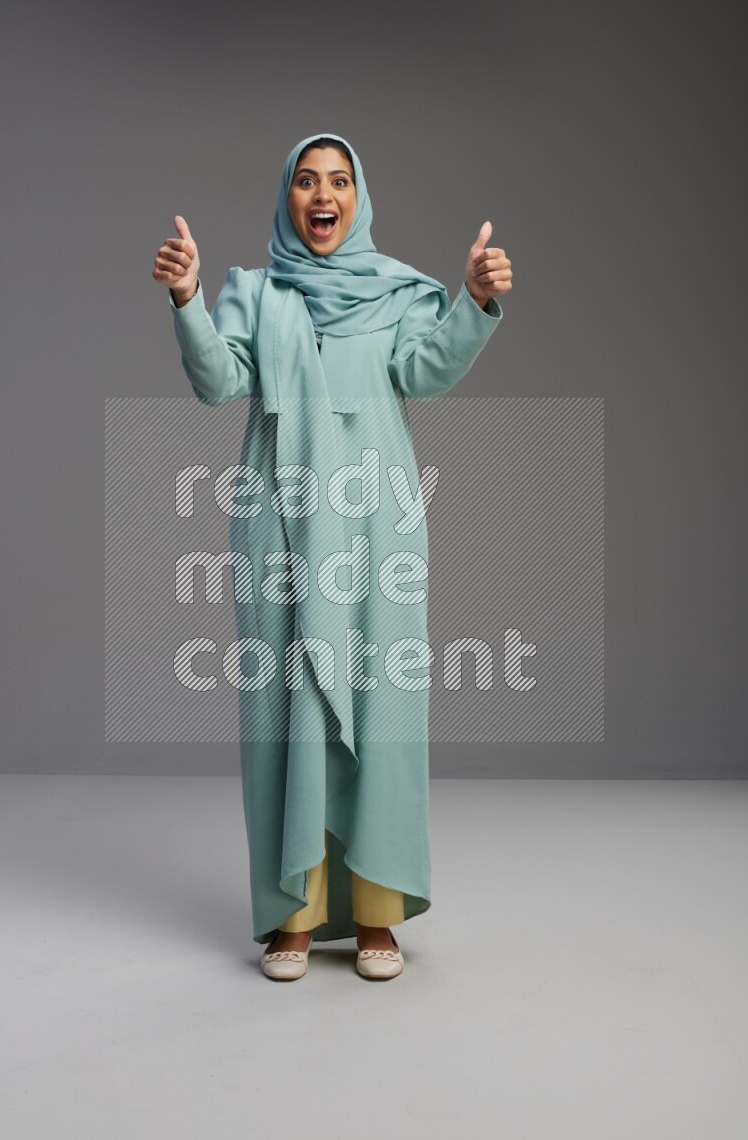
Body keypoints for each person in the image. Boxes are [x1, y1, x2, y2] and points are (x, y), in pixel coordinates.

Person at [152, 132, 512, 981]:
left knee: (380, 713)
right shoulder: (256, 293)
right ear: (287, 198)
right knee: (289, 718)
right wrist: (188, 298)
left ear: (358, 198)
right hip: (279, 527)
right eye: (307, 181)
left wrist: (472, 303)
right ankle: (296, 914)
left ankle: (379, 910)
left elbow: (425, 375)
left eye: (339, 180)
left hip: (378, 529)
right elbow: (216, 382)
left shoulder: (398, 294)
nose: (323, 194)